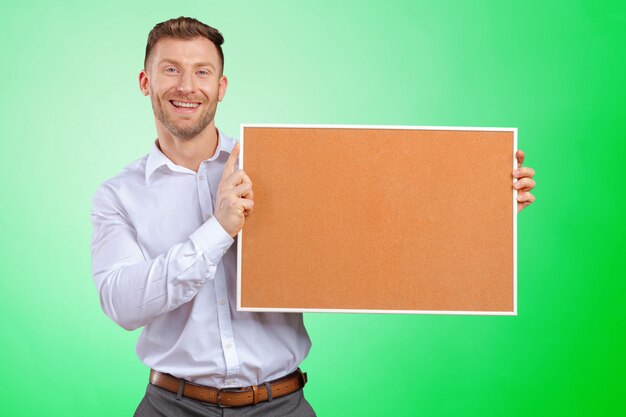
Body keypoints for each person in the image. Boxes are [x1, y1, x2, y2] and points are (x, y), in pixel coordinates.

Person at [90, 16, 536, 417]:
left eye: (202, 71)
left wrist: (480, 208)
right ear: (146, 81)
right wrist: (219, 229)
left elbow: (373, 228)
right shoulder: (118, 196)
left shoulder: (279, 163)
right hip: (170, 408)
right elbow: (122, 304)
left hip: (281, 406)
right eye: (171, 69)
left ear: (221, 87)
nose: (187, 86)